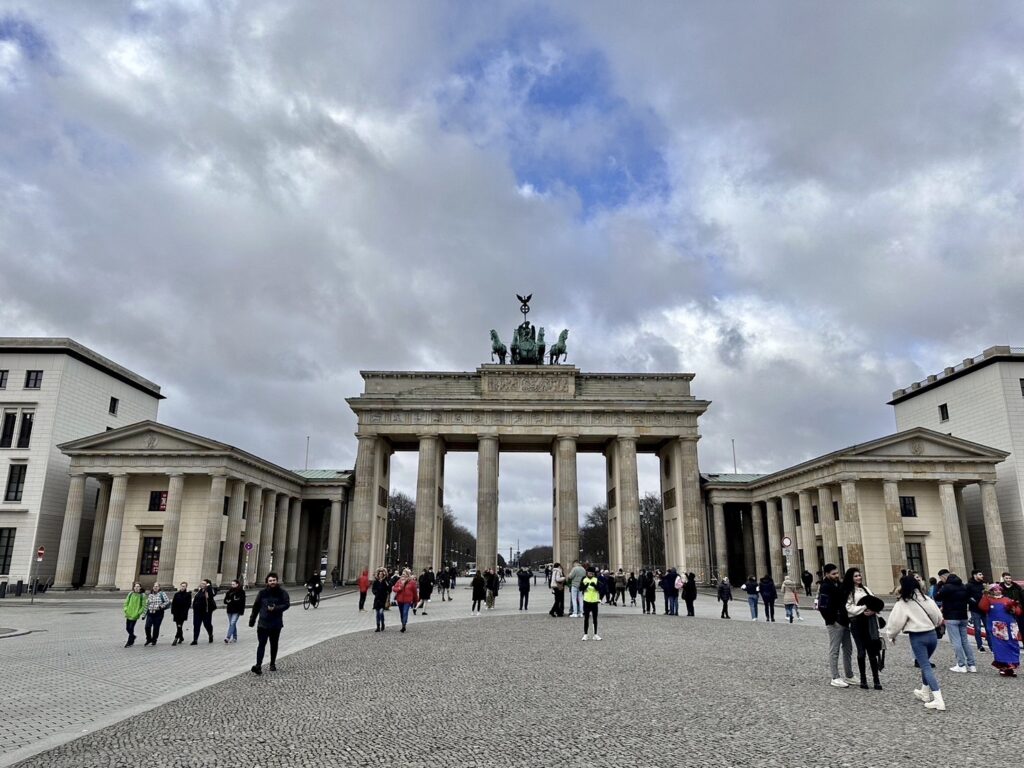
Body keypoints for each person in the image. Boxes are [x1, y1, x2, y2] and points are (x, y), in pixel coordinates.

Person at [886, 574, 946, 710]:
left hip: (918, 637)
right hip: (932, 635)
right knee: (926, 664)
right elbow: (938, 617)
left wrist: (891, 635)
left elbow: (895, 622)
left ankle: (938, 699)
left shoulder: (903, 603)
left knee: (925, 666)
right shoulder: (927, 599)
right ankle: (924, 692)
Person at [842, 568, 883, 690]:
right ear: (851, 578)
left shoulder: (866, 589)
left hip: (870, 622)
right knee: (861, 651)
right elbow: (849, 608)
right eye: (855, 576)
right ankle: (863, 679)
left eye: (859, 575)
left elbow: (875, 602)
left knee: (872, 651)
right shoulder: (849, 591)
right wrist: (864, 608)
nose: (859, 578)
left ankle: (876, 679)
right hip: (857, 622)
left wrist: (873, 610)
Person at [818, 563, 854, 688]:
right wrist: (832, 620)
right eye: (833, 574)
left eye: (837, 573)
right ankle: (835, 677)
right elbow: (822, 606)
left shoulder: (838, 584)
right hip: (835, 622)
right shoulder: (825, 586)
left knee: (848, 648)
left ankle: (849, 675)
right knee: (835, 650)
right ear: (827, 574)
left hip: (844, 620)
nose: (836, 575)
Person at [248, 572, 290, 675]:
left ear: (277, 581)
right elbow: (256, 606)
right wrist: (252, 619)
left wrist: (275, 608)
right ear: (267, 582)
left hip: (276, 623)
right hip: (263, 623)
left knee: (274, 644)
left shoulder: (282, 593)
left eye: (274, 580)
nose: (272, 582)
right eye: (270, 581)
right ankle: (258, 665)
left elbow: (286, 604)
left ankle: (272, 663)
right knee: (261, 644)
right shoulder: (262, 593)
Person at [935, 573, 976, 673]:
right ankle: (972, 665)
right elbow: (970, 600)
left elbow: (937, 597)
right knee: (965, 641)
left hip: (951, 617)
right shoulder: (963, 587)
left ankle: (961, 665)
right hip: (963, 616)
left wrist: (940, 588)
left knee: (956, 641)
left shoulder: (947, 587)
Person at [979, 583, 1022, 676]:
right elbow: (983, 607)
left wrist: (1013, 607)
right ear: (992, 591)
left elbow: (1018, 612)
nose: (998, 591)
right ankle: (1004, 667)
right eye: (995, 590)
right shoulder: (989, 599)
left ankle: (1011, 666)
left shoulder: (1006, 599)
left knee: (1012, 645)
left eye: (999, 589)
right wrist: (985, 595)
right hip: (997, 627)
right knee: (1000, 647)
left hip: (1010, 627)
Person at [966, 569, 988, 653]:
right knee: (977, 628)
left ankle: (991, 646)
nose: (982, 576)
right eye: (980, 574)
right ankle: (980, 646)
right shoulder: (968, 585)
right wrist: (973, 601)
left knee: (988, 628)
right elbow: (966, 597)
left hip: (985, 610)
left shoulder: (984, 585)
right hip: (975, 609)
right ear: (974, 575)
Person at [190, 579, 217, 645]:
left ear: (207, 584)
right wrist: (194, 607)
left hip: (206, 611)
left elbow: (212, 594)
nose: (202, 585)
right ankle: (195, 639)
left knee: (207, 624)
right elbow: (195, 600)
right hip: (197, 612)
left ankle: (210, 635)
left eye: (204, 583)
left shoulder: (209, 590)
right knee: (196, 625)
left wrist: (209, 587)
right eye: (201, 583)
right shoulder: (199, 591)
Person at [392, 568, 419, 633]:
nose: (403, 575)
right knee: (401, 613)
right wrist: (398, 588)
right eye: (402, 574)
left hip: (408, 600)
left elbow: (414, 592)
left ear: (408, 575)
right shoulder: (399, 581)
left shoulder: (412, 582)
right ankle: (403, 623)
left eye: (405, 574)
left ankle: (404, 625)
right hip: (400, 599)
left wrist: (416, 600)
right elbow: (394, 588)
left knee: (405, 612)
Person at [143, 582, 170, 646]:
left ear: (159, 588)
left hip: (158, 613)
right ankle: (148, 639)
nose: (155, 587)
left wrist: (161, 606)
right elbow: (147, 605)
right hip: (150, 613)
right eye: (154, 586)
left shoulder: (162, 594)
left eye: (157, 586)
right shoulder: (150, 595)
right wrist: (144, 614)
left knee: (156, 627)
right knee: (147, 627)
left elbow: (167, 601)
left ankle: (154, 640)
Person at [580, 568, 602, 641]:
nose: (591, 574)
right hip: (586, 601)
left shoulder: (596, 579)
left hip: (594, 601)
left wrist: (595, 586)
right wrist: (585, 586)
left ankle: (595, 634)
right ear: (587, 573)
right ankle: (585, 634)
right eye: (589, 573)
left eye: (592, 573)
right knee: (586, 618)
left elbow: (599, 589)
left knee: (595, 618)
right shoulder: (584, 579)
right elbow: (580, 588)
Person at [123, 582, 146, 648]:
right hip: (128, 613)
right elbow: (126, 602)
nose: (136, 587)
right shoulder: (130, 594)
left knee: (131, 628)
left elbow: (143, 605)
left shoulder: (142, 595)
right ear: (134, 587)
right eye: (135, 586)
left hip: (135, 614)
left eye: (138, 586)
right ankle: (133, 636)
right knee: (127, 628)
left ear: (140, 588)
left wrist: (139, 612)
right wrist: (125, 609)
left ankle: (129, 642)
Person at [222, 579, 246, 644]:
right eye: (231, 584)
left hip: (237, 610)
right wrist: (227, 601)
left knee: (232, 623)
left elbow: (242, 602)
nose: (232, 585)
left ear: (237, 584)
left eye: (233, 584)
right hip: (229, 610)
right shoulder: (229, 592)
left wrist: (241, 611)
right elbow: (225, 600)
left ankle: (228, 637)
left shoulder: (241, 592)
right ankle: (235, 637)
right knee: (232, 624)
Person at [170, 581, 191, 646]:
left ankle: (176, 638)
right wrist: (173, 612)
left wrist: (185, 612)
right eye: (182, 586)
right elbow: (173, 604)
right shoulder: (177, 594)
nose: (182, 587)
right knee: (178, 626)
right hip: (176, 613)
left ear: (186, 587)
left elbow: (188, 604)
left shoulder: (188, 595)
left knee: (179, 625)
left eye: (184, 586)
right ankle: (181, 637)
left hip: (183, 613)